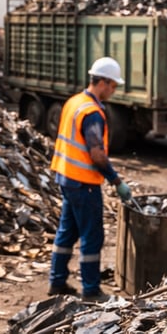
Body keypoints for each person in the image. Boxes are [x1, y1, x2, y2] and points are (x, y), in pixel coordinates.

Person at [48, 56, 133, 302]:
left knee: (67, 231)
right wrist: (116, 181)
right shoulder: (92, 112)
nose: (114, 91)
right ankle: (91, 290)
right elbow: (96, 154)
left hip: (65, 177)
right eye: (114, 86)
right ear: (103, 82)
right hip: (83, 183)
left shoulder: (75, 101)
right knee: (91, 235)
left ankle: (57, 281)